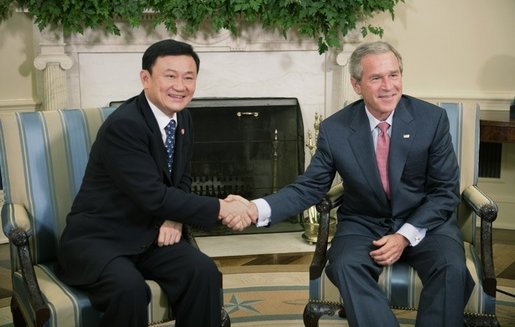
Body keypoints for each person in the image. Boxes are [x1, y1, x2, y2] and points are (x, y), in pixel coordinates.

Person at [240, 41, 475, 326]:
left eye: (394, 74)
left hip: (426, 221)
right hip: (365, 222)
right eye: (376, 78)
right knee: (345, 264)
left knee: (451, 268)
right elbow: (310, 186)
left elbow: (444, 190)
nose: (388, 86)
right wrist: (255, 208)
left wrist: (404, 235)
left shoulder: (431, 119)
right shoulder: (335, 128)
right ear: (356, 85)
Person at [56, 39, 251, 327]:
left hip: (152, 235)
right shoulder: (125, 126)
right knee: (130, 289)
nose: (180, 86)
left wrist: (174, 217)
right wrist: (222, 208)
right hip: (101, 239)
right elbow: (153, 195)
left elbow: (182, 177)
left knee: (202, 271)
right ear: (145, 78)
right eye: (170, 76)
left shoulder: (183, 117)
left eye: (189, 77)